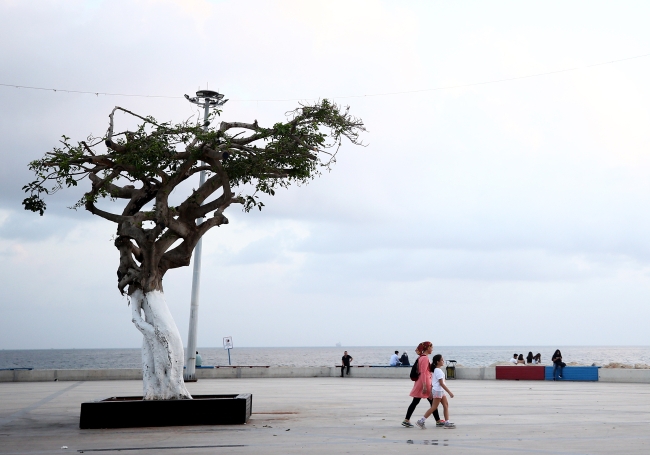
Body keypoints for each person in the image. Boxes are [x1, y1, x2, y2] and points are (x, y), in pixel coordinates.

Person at [402, 342, 443, 428]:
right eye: (431, 347)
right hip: (424, 382)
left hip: (421, 382)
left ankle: (406, 419)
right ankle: (438, 421)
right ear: (427, 348)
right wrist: (424, 385)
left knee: (416, 401)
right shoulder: (425, 358)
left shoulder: (421, 357)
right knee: (432, 401)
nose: (432, 349)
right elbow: (424, 372)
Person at [417, 354, 455, 429]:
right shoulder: (438, 371)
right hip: (438, 391)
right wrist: (449, 392)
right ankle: (421, 421)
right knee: (434, 407)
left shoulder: (436, 370)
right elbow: (441, 383)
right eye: (441, 360)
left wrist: (431, 391)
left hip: (439, 390)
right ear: (437, 362)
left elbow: (433, 381)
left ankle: (447, 422)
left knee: (446, 405)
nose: (443, 361)